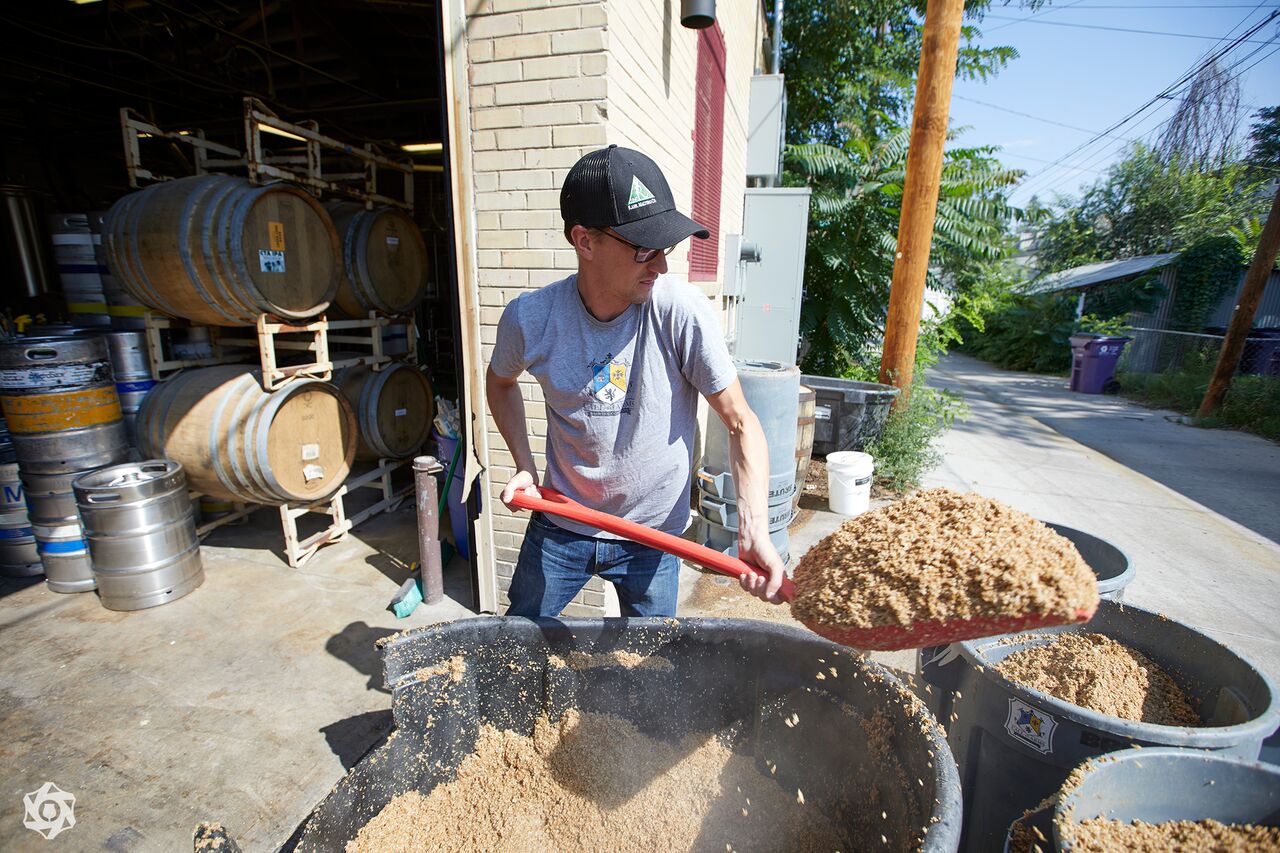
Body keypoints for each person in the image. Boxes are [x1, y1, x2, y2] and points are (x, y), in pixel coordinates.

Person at [486, 144, 785, 617]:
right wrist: (524, 466)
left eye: (665, 249)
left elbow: (742, 423)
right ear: (584, 242)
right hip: (564, 518)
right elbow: (499, 382)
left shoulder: (680, 312)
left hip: (653, 534)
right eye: (645, 250)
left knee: (648, 667)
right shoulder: (530, 318)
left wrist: (754, 530)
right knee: (518, 648)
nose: (661, 266)